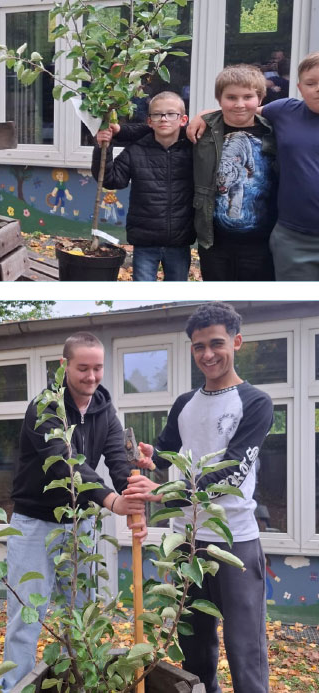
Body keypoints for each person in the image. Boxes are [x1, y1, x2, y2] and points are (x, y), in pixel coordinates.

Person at [123, 302, 271, 693]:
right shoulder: (184, 403)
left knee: (246, 651)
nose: (207, 354)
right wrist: (151, 457)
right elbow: (167, 451)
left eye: (216, 343)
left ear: (236, 342)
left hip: (235, 542)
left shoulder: (256, 403)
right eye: (199, 346)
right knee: (195, 649)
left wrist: (162, 495)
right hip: (187, 543)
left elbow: (231, 474)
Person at [0, 333, 152, 691]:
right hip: (34, 525)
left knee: (83, 614)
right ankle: (13, 687)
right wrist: (111, 501)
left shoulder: (104, 409)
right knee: (26, 616)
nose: (91, 376)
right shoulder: (45, 407)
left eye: (98, 368)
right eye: (83, 368)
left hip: (79, 525)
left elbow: (118, 460)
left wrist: (133, 501)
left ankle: (79, 683)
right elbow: (64, 463)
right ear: (64, 365)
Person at [182, 65, 278, 280]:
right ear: (219, 99)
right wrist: (119, 130)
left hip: (262, 240)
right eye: (231, 97)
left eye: (248, 97)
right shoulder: (203, 131)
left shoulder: (275, 130)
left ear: (260, 99)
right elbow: (160, 132)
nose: (239, 104)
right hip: (215, 241)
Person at [92, 91, 194, 281]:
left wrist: (122, 131)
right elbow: (111, 180)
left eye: (171, 114)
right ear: (149, 121)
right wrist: (103, 147)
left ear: (183, 120)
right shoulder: (136, 150)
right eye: (157, 114)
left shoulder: (193, 149)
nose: (163, 119)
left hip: (179, 240)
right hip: (145, 241)